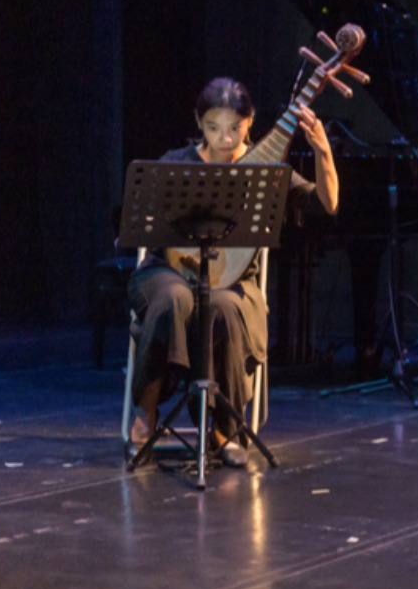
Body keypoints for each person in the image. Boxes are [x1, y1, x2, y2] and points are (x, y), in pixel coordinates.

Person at [127, 77, 339, 467]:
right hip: (166, 271)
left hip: (234, 285)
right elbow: (142, 219)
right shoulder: (176, 162)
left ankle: (224, 429)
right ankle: (148, 416)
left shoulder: (266, 169)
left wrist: (323, 152)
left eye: (234, 128)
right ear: (199, 122)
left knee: (222, 308)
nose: (224, 138)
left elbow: (326, 204)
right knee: (175, 297)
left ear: (250, 122)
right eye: (213, 128)